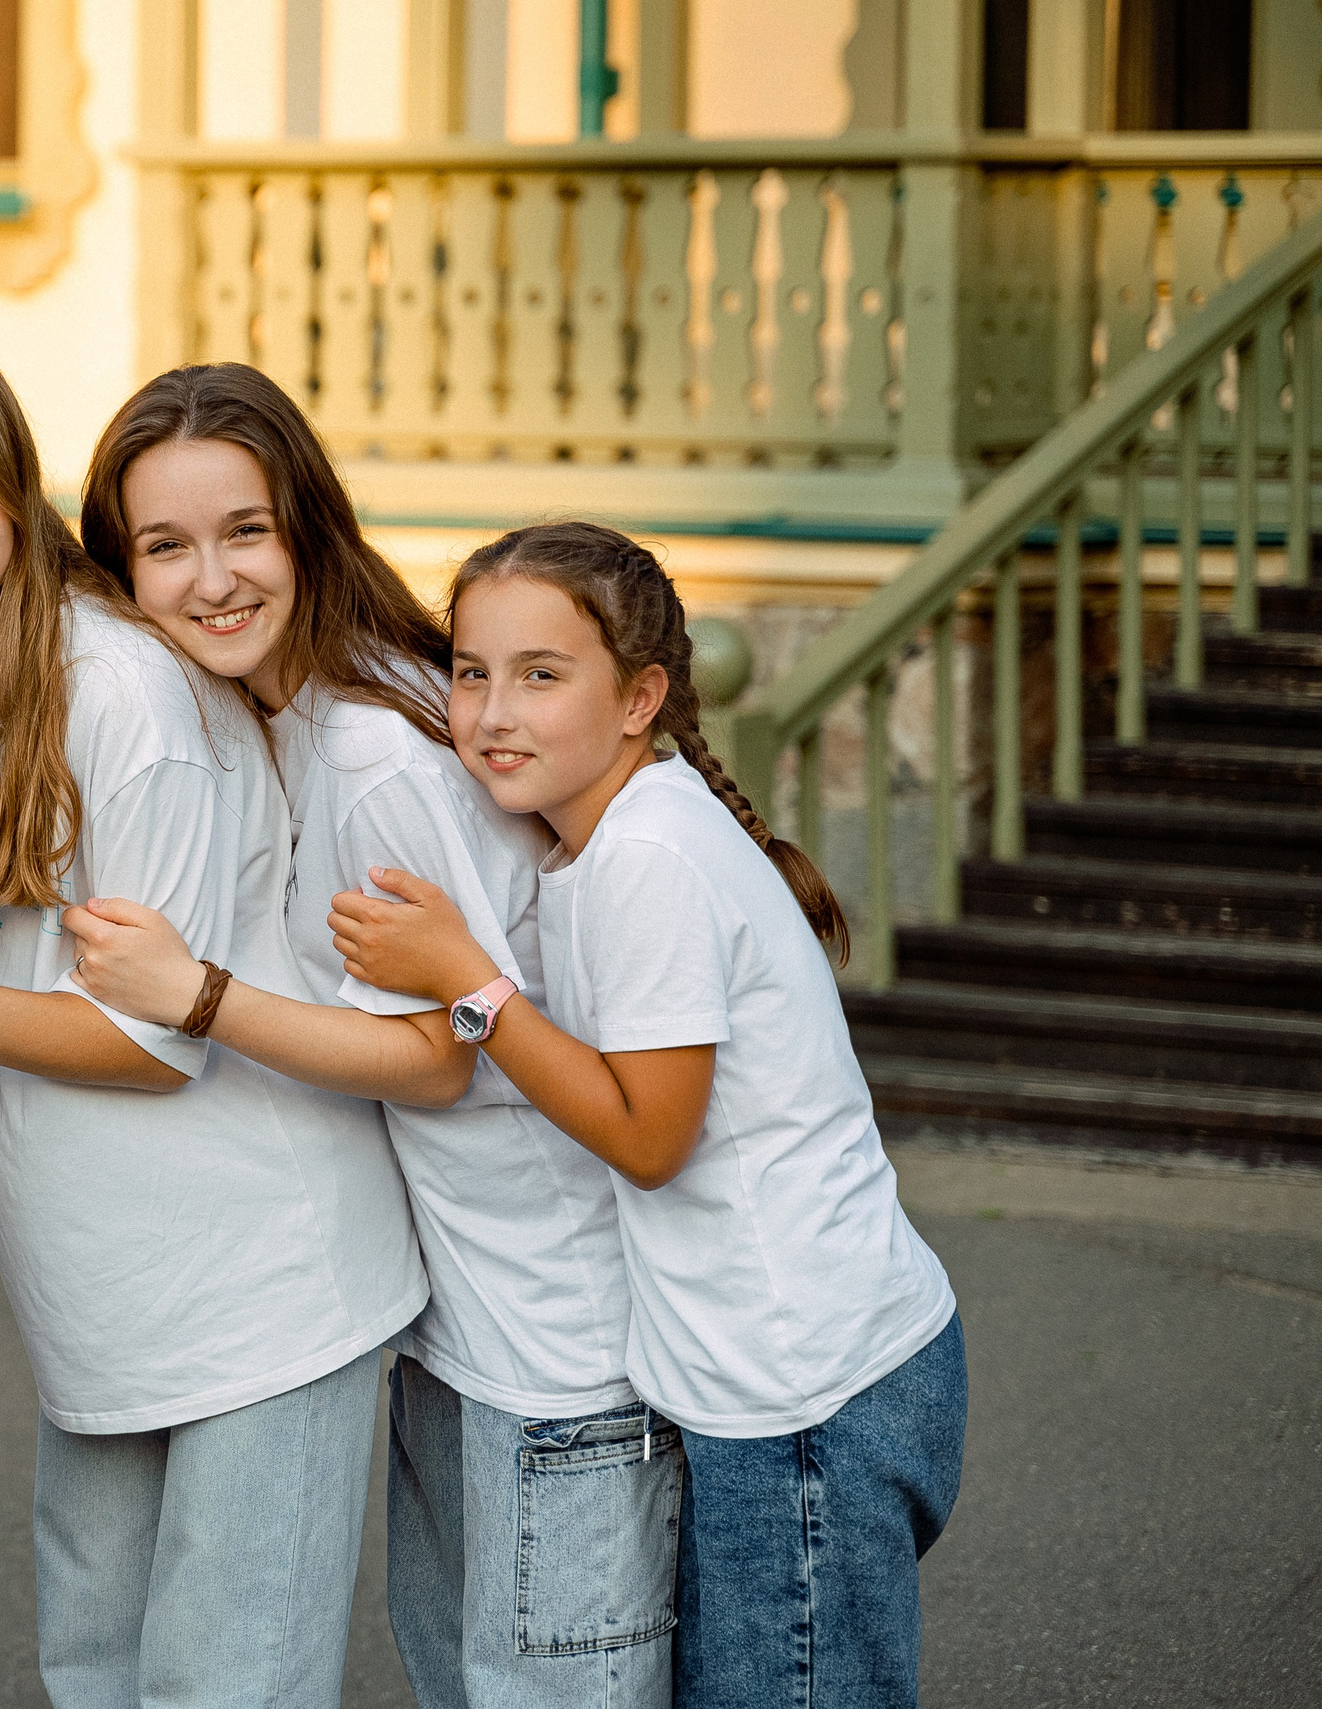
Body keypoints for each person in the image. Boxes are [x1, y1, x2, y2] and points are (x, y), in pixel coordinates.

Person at [0, 319, 426, 1709]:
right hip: (102, 1300)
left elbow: (152, 1041)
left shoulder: (122, 694)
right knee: (98, 1671)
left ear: (17, 480)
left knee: (223, 1687)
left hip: (263, 1289)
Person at [59, 365, 679, 1709]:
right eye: (165, 545)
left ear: (307, 531)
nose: (211, 576)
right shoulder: (291, 711)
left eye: (245, 531)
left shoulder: (369, 752)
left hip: (553, 1326)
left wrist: (198, 993)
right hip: (461, 1312)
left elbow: (440, 1050)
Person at [327, 520, 967, 1709]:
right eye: (472, 672)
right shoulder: (618, 832)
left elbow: (649, 1137)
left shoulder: (649, 857)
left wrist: (465, 978)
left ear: (640, 698)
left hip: (808, 1392)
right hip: (794, 1377)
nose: (493, 711)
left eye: (541, 674)